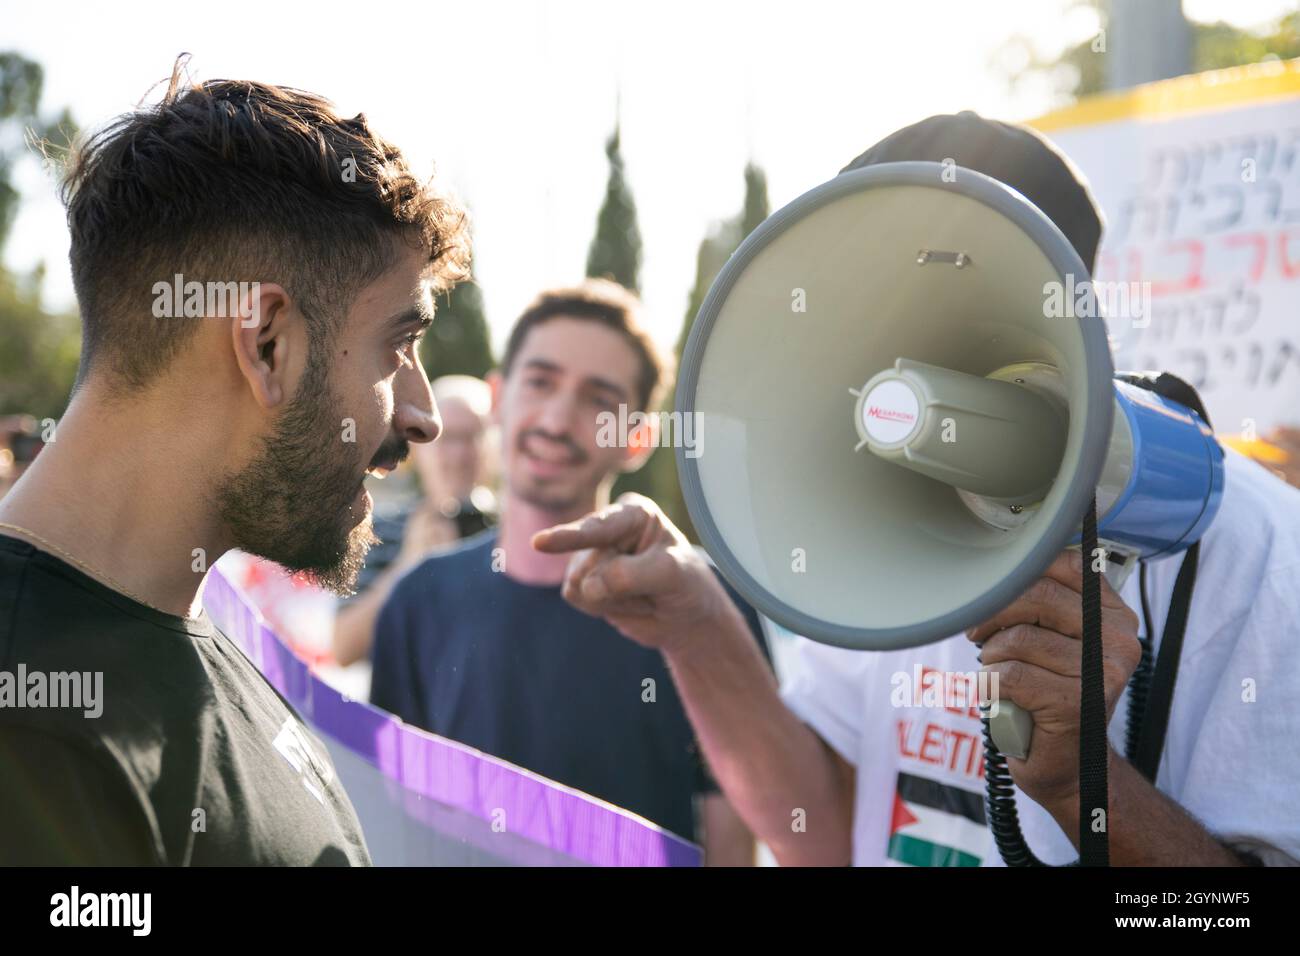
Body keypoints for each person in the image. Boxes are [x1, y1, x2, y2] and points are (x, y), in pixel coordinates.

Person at [532, 113, 1300, 867]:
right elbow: (822, 832)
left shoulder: (1256, 553)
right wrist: (697, 625)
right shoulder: (873, 528)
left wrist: (1079, 785)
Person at [0, 62, 469, 864]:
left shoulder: (183, 635)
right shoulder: (34, 732)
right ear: (267, 344)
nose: (421, 416)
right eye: (400, 345)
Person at [370, 280, 770, 863]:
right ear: (499, 398)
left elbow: (733, 829)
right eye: (540, 382)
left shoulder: (699, 602)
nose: (557, 420)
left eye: (599, 400)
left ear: (638, 439)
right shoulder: (416, 601)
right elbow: (393, 818)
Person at [332, 375, 497, 668]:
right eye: (448, 439)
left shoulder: (507, 531)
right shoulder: (377, 528)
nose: (459, 454)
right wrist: (409, 565)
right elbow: (343, 648)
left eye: (472, 436)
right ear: (420, 450)